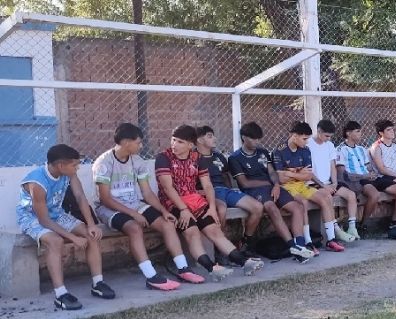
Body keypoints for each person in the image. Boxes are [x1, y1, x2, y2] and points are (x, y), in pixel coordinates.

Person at [93, 123, 202, 291]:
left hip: (134, 204)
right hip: (109, 208)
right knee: (135, 228)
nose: (141, 146)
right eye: (138, 142)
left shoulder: (137, 161)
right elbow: (105, 199)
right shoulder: (104, 162)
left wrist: (164, 211)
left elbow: (147, 193)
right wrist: (133, 214)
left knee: (167, 223)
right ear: (127, 142)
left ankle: (183, 268)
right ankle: (151, 276)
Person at [155, 125, 263, 278]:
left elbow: (207, 185)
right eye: (173, 140)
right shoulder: (163, 158)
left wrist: (212, 207)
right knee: (192, 232)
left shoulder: (197, 158)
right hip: (173, 203)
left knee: (214, 231)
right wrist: (183, 210)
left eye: (180, 142)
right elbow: (167, 188)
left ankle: (244, 262)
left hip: (195, 201)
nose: (174, 144)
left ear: (190, 145)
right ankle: (212, 268)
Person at [17, 144, 115, 310]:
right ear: (61, 166)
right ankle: (61, 294)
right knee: (55, 242)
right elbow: (44, 220)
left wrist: (91, 225)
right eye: (74, 165)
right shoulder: (37, 183)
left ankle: (98, 283)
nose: (77, 167)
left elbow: (80, 197)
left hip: (56, 213)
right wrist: (72, 238)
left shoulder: (69, 174)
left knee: (92, 235)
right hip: (32, 217)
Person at [221, 123, 315, 262]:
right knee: (271, 207)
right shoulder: (235, 158)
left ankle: (300, 247)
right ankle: (292, 246)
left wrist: (276, 185)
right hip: (253, 190)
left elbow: (271, 172)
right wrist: (270, 183)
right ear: (244, 138)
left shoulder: (263, 152)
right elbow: (244, 183)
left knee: (298, 207)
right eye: (253, 139)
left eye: (259, 139)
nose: (257, 142)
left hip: (272, 187)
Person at [273, 121, 347, 252]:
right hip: (287, 187)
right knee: (303, 203)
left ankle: (331, 240)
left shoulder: (305, 151)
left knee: (325, 196)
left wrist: (290, 172)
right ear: (294, 136)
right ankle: (307, 242)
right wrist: (298, 173)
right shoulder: (279, 151)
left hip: (302, 185)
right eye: (304, 139)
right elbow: (281, 178)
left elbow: (308, 176)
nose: (307, 142)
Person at [335, 120, 396, 228]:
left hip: (369, 179)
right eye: (357, 131)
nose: (360, 134)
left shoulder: (361, 149)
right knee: (375, 194)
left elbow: (368, 167)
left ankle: (394, 222)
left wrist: (371, 173)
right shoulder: (340, 149)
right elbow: (342, 174)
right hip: (354, 181)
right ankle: (363, 224)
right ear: (348, 133)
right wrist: (365, 176)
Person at [307, 119, 359, 241]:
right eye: (326, 136)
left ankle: (352, 228)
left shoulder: (330, 145)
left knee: (351, 195)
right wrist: (323, 186)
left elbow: (332, 166)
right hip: (314, 184)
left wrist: (334, 183)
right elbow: (308, 171)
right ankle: (337, 230)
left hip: (329, 183)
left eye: (330, 136)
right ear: (319, 131)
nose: (328, 139)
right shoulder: (308, 144)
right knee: (328, 198)